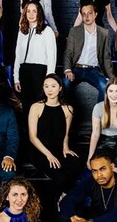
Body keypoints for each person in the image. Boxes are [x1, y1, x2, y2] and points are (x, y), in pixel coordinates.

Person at [27, 74, 81, 205]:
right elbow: (32, 137)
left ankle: (63, 196)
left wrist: (66, 148)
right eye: (46, 86)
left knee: (76, 164)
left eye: (53, 86)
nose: (49, 90)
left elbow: (66, 134)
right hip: (40, 151)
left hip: (58, 149)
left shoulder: (68, 109)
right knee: (60, 177)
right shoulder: (36, 107)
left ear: (60, 88)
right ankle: (45, 205)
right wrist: (49, 155)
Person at [62, 2, 115, 103]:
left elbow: (106, 57)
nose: (86, 16)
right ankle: (68, 114)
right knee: (65, 83)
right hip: (76, 68)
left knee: (105, 86)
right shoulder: (74, 31)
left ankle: (98, 115)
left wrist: (112, 77)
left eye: (89, 13)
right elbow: (68, 52)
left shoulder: (103, 33)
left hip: (93, 70)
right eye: (83, 14)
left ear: (95, 14)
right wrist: (68, 70)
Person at [13, 1, 57, 113]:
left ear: (39, 13)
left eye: (34, 11)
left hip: (40, 71)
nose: (31, 14)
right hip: (24, 71)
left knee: (40, 105)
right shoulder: (22, 31)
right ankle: (29, 130)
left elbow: (52, 56)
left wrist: (49, 79)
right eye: (28, 11)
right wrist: (16, 78)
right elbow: (18, 55)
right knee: (27, 106)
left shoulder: (47, 31)